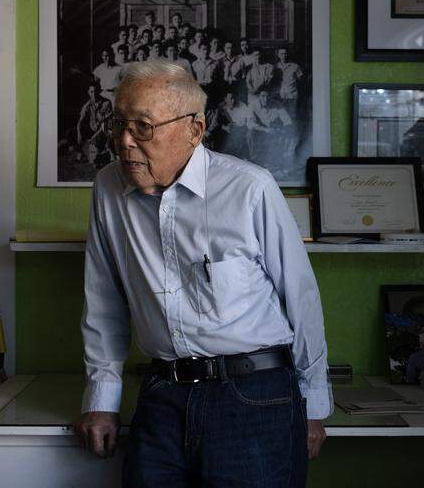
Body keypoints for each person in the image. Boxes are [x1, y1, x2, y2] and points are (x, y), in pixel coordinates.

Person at [75, 61, 330, 486]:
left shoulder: (249, 187)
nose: (124, 141)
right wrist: (102, 400)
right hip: (161, 394)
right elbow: (103, 300)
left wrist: (314, 407)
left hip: (255, 395)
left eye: (143, 126)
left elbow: (300, 297)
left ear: (194, 129)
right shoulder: (109, 188)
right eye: (119, 123)